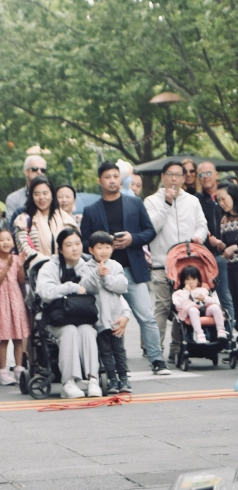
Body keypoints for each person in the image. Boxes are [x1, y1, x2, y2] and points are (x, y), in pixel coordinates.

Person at [80, 161, 171, 375]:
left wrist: (132, 239)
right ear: (99, 181)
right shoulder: (91, 210)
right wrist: (104, 243)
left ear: (121, 179)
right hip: (103, 272)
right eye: (107, 177)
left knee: (145, 316)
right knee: (102, 318)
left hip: (131, 268)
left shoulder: (134, 203)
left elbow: (149, 231)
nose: (112, 180)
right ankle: (106, 363)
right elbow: (84, 242)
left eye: (115, 176)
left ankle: (157, 359)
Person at [144, 161, 208, 358]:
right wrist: (167, 204)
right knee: (162, 306)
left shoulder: (192, 201)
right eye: (170, 174)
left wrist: (199, 237)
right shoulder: (151, 201)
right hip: (161, 263)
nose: (174, 179)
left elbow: (202, 224)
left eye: (178, 175)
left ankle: (177, 348)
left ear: (183, 178)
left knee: (185, 305)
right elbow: (150, 228)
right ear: (163, 177)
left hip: (188, 264)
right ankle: (155, 349)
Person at [35, 227, 101, 400]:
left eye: (78, 244)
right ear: (60, 249)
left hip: (84, 317)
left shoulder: (88, 265)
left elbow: (101, 289)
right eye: (69, 245)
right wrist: (71, 287)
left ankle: (92, 379)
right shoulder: (50, 267)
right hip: (56, 321)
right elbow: (45, 292)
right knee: (70, 330)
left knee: (87, 330)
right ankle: (68, 382)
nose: (74, 248)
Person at [81, 230, 132, 394]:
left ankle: (124, 378)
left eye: (107, 247)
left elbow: (122, 287)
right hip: (99, 319)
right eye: (99, 247)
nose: (104, 251)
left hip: (116, 318)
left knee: (119, 350)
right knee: (105, 351)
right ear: (91, 250)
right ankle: (111, 379)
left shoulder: (115, 266)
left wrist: (106, 278)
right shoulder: (86, 267)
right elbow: (88, 288)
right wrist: (97, 274)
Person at [196, 160, 236, 330]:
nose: (205, 177)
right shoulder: (196, 199)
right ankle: (206, 334)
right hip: (202, 255)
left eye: (208, 173)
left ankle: (230, 334)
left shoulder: (225, 196)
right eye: (201, 174)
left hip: (223, 255)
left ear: (216, 175)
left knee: (226, 296)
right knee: (201, 296)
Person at [216, 180, 238, 358]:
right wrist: (221, 245)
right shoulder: (223, 218)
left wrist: (234, 247)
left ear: (233, 195)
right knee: (235, 305)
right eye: (219, 200)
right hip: (230, 268)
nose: (222, 203)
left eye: (224, 198)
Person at [14, 178, 76, 268]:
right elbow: (24, 249)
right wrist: (48, 264)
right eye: (37, 194)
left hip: (64, 271)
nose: (41, 197)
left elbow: (74, 244)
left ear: (52, 194)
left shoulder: (65, 218)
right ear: (31, 196)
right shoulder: (23, 220)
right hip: (37, 272)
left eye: (45, 193)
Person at [0, 227, 29, 385]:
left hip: (16, 299)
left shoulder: (16, 258)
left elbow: (21, 280)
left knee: (18, 336)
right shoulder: (6, 260)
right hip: (2, 301)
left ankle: (19, 369)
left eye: (8, 239)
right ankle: (3, 371)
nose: (5, 242)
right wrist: (7, 265)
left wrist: (21, 265)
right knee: (3, 338)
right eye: (2, 239)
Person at [172, 265, 227, 344]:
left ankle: (221, 330)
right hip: (190, 313)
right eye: (187, 279)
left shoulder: (203, 290)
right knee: (193, 310)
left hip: (205, 310)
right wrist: (187, 292)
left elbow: (215, 301)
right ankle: (200, 334)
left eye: (193, 279)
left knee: (215, 307)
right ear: (183, 281)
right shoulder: (179, 293)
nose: (191, 282)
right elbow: (179, 305)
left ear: (198, 280)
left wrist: (205, 299)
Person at [4, 155, 48, 222]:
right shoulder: (13, 199)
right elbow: (11, 227)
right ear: (26, 172)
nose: (39, 172)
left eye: (43, 170)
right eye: (34, 169)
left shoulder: (51, 197)